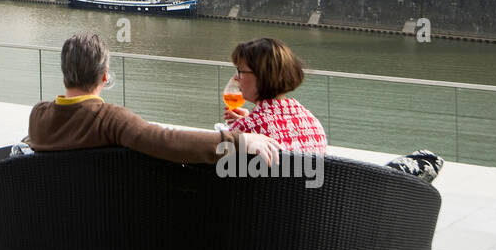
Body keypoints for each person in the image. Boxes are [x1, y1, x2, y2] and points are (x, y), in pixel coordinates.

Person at [26, 32, 280, 166]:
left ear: (64, 74)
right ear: (104, 77)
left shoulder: (38, 117)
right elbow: (166, 141)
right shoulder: (109, 120)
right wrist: (237, 141)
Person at [224, 37, 327, 154]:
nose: (235, 78)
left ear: (262, 76)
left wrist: (245, 124)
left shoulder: (245, 131)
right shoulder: (312, 123)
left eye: (240, 71)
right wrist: (250, 120)